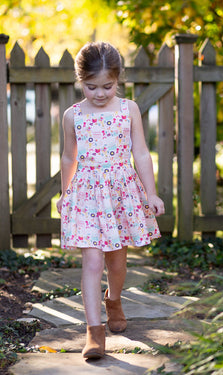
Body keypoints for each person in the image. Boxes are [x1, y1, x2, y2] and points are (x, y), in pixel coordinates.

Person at [56, 41, 165, 359]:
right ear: (80, 81)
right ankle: (94, 333)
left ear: (118, 80)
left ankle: (113, 298)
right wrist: (65, 194)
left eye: (107, 86)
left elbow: (141, 152)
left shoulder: (128, 109)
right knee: (91, 261)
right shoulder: (72, 116)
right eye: (91, 87)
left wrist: (151, 192)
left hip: (121, 193)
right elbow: (68, 157)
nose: (100, 94)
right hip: (88, 195)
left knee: (116, 262)